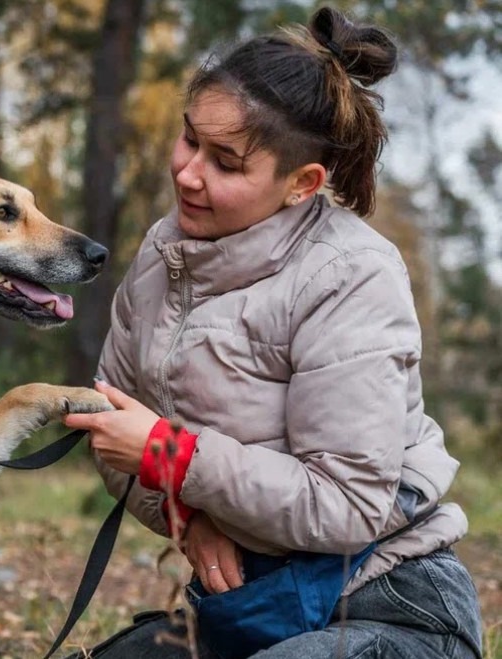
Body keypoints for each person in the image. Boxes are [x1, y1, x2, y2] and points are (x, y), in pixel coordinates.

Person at [61, 7, 483, 659]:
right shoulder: (162, 255)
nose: (188, 173)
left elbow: (346, 503)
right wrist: (188, 516)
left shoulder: (351, 274)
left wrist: (170, 455)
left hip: (389, 603)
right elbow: (117, 434)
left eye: (225, 162)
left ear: (301, 184)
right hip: (248, 606)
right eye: (188, 138)